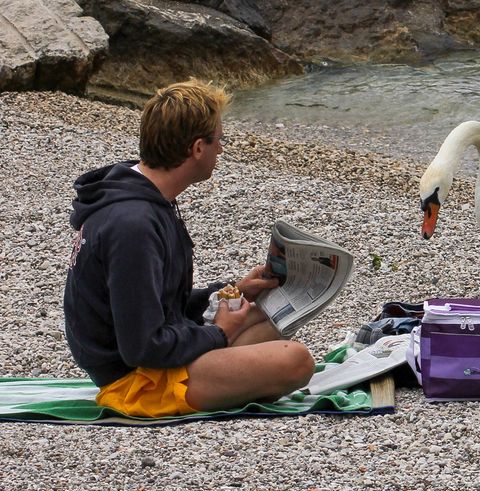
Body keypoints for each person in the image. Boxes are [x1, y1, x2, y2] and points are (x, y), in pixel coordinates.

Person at [63, 79, 315, 416]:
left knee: (264, 316)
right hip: (136, 381)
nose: (220, 150)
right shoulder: (133, 225)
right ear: (198, 148)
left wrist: (232, 291)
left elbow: (159, 304)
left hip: (150, 358)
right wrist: (219, 333)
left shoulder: (144, 197)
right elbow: (142, 346)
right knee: (296, 360)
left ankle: (231, 368)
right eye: (219, 140)